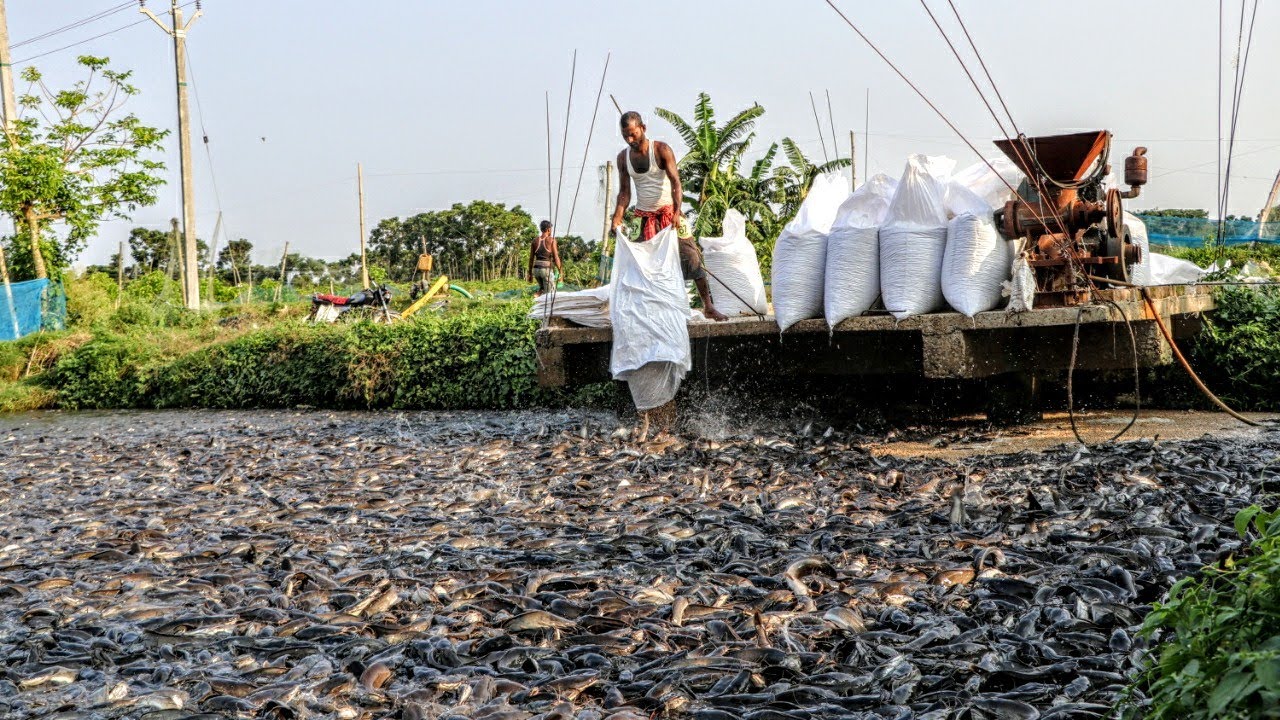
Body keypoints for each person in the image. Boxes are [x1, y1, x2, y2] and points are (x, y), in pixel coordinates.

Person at [610, 111, 728, 321]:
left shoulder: (661, 150)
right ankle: (647, 311)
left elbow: (676, 183)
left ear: (643, 128)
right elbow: (624, 193)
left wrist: (675, 211)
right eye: (625, 135)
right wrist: (617, 217)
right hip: (643, 216)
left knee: (691, 257)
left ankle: (708, 306)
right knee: (639, 263)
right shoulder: (623, 158)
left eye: (633, 134)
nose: (630, 140)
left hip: (668, 212)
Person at [528, 220, 561, 296]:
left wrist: (530, 274)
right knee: (550, 294)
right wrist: (560, 272)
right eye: (551, 229)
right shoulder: (551, 240)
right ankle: (537, 301)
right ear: (548, 229)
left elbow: (531, 259)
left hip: (536, 270)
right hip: (546, 270)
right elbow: (556, 257)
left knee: (542, 290)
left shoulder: (534, 241)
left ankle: (534, 297)